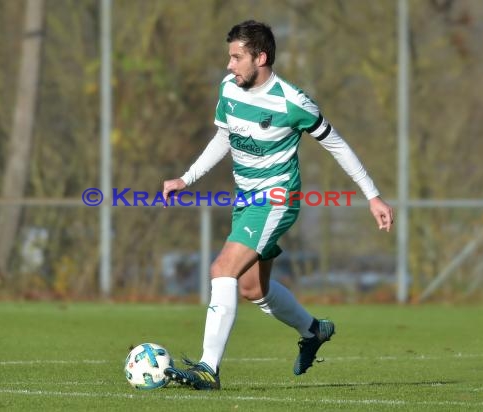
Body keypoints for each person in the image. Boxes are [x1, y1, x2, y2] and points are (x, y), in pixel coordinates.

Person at [161, 20, 393, 390]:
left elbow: (337, 144)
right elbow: (225, 135)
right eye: (229, 57)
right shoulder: (229, 88)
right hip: (246, 199)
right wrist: (187, 178)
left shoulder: (292, 102)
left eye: (237, 58)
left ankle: (208, 368)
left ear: (261, 57)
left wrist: (372, 195)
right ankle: (314, 331)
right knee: (253, 289)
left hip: (276, 199)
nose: (229, 65)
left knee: (222, 268)